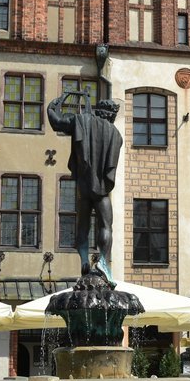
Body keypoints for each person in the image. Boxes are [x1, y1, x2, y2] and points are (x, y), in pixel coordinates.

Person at [47, 92, 123, 280]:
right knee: (106, 226)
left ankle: (83, 260)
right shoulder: (116, 135)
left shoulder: (82, 121)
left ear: (98, 112)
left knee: (83, 227)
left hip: (84, 186)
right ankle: (103, 261)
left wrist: (52, 107)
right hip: (102, 190)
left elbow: (57, 122)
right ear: (112, 116)